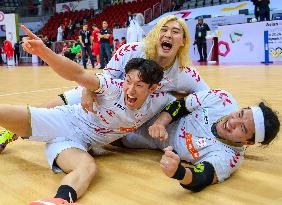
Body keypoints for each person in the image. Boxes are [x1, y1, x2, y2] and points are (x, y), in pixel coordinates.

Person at [1, 25, 176, 204]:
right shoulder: (113, 87)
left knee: (88, 167)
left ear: (152, 88)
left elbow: (184, 102)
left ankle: (57, 201)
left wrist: (162, 122)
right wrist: (45, 52)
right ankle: (8, 134)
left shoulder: (159, 101)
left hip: (76, 144)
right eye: (128, 82)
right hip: (63, 121)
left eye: (139, 85)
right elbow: (77, 73)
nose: (130, 90)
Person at [0, 16, 209, 155]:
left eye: (175, 32)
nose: (168, 35)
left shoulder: (185, 73)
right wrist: (87, 91)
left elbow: (209, 96)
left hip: (138, 109)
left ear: (183, 41)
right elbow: (101, 76)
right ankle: (12, 131)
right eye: (164, 30)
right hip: (109, 94)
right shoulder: (132, 50)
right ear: (156, 35)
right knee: (65, 100)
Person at [121, 89, 280, 191]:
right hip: (158, 110)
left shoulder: (230, 158)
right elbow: (181, 105)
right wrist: (160, 123)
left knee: (113, 138)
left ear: (248, 142)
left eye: (243, 129)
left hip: (151, 140)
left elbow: (203, 175)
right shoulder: (222, 99)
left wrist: (179, 172)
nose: (232, 122)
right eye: (239, 114)